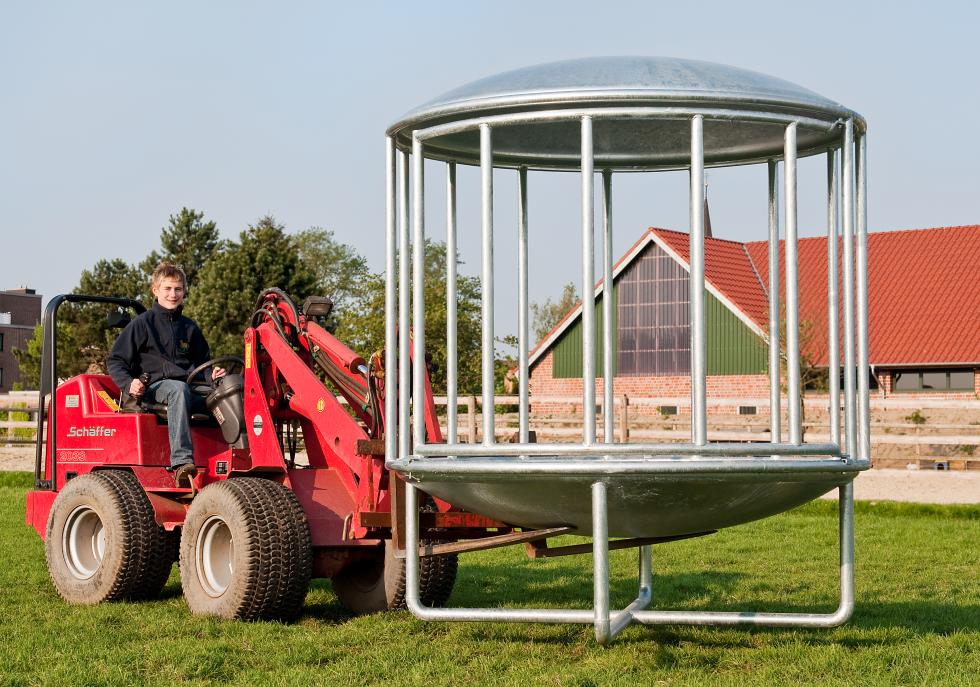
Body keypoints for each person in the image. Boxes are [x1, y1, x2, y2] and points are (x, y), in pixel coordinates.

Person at [107, 262, 225, 487]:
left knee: (228, 390)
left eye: (178, 289)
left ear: (184, 291)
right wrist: (129, 383)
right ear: (156, 290)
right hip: (154, 388)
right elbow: (116, 360)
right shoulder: (142, 324)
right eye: (168, 288)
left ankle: (234, 455)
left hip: (188, 385)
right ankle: (181, 462)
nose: (173, 294)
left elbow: (202, 364)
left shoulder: (189, 328)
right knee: (177, 389)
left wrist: (213, 375)